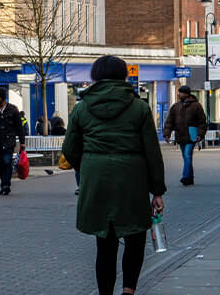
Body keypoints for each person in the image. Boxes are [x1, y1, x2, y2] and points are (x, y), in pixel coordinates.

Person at [62, 56, 166, 295]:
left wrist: (88, 165)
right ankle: (128, 290)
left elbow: (69, 150)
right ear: (124, 76)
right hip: (132, 180)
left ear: (95, 76)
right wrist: (157, 190)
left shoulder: (81, 108)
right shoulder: (139, 107)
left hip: (96, 181)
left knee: (105, 244)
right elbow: (152, 152)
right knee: (135, 238)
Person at [162, 86, 207, 186]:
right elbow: (170, 121)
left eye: (180, 93)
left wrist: (200, 134)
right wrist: (167, 134)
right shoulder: (176, 106)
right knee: (186, 157)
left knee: (187, 156)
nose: (179, 94)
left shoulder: (196, 106)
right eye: (179, 93)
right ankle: (190, 178)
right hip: (180, 136)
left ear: (186, 94)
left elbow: (202, 122)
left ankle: (185, 177)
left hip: (191, 136)